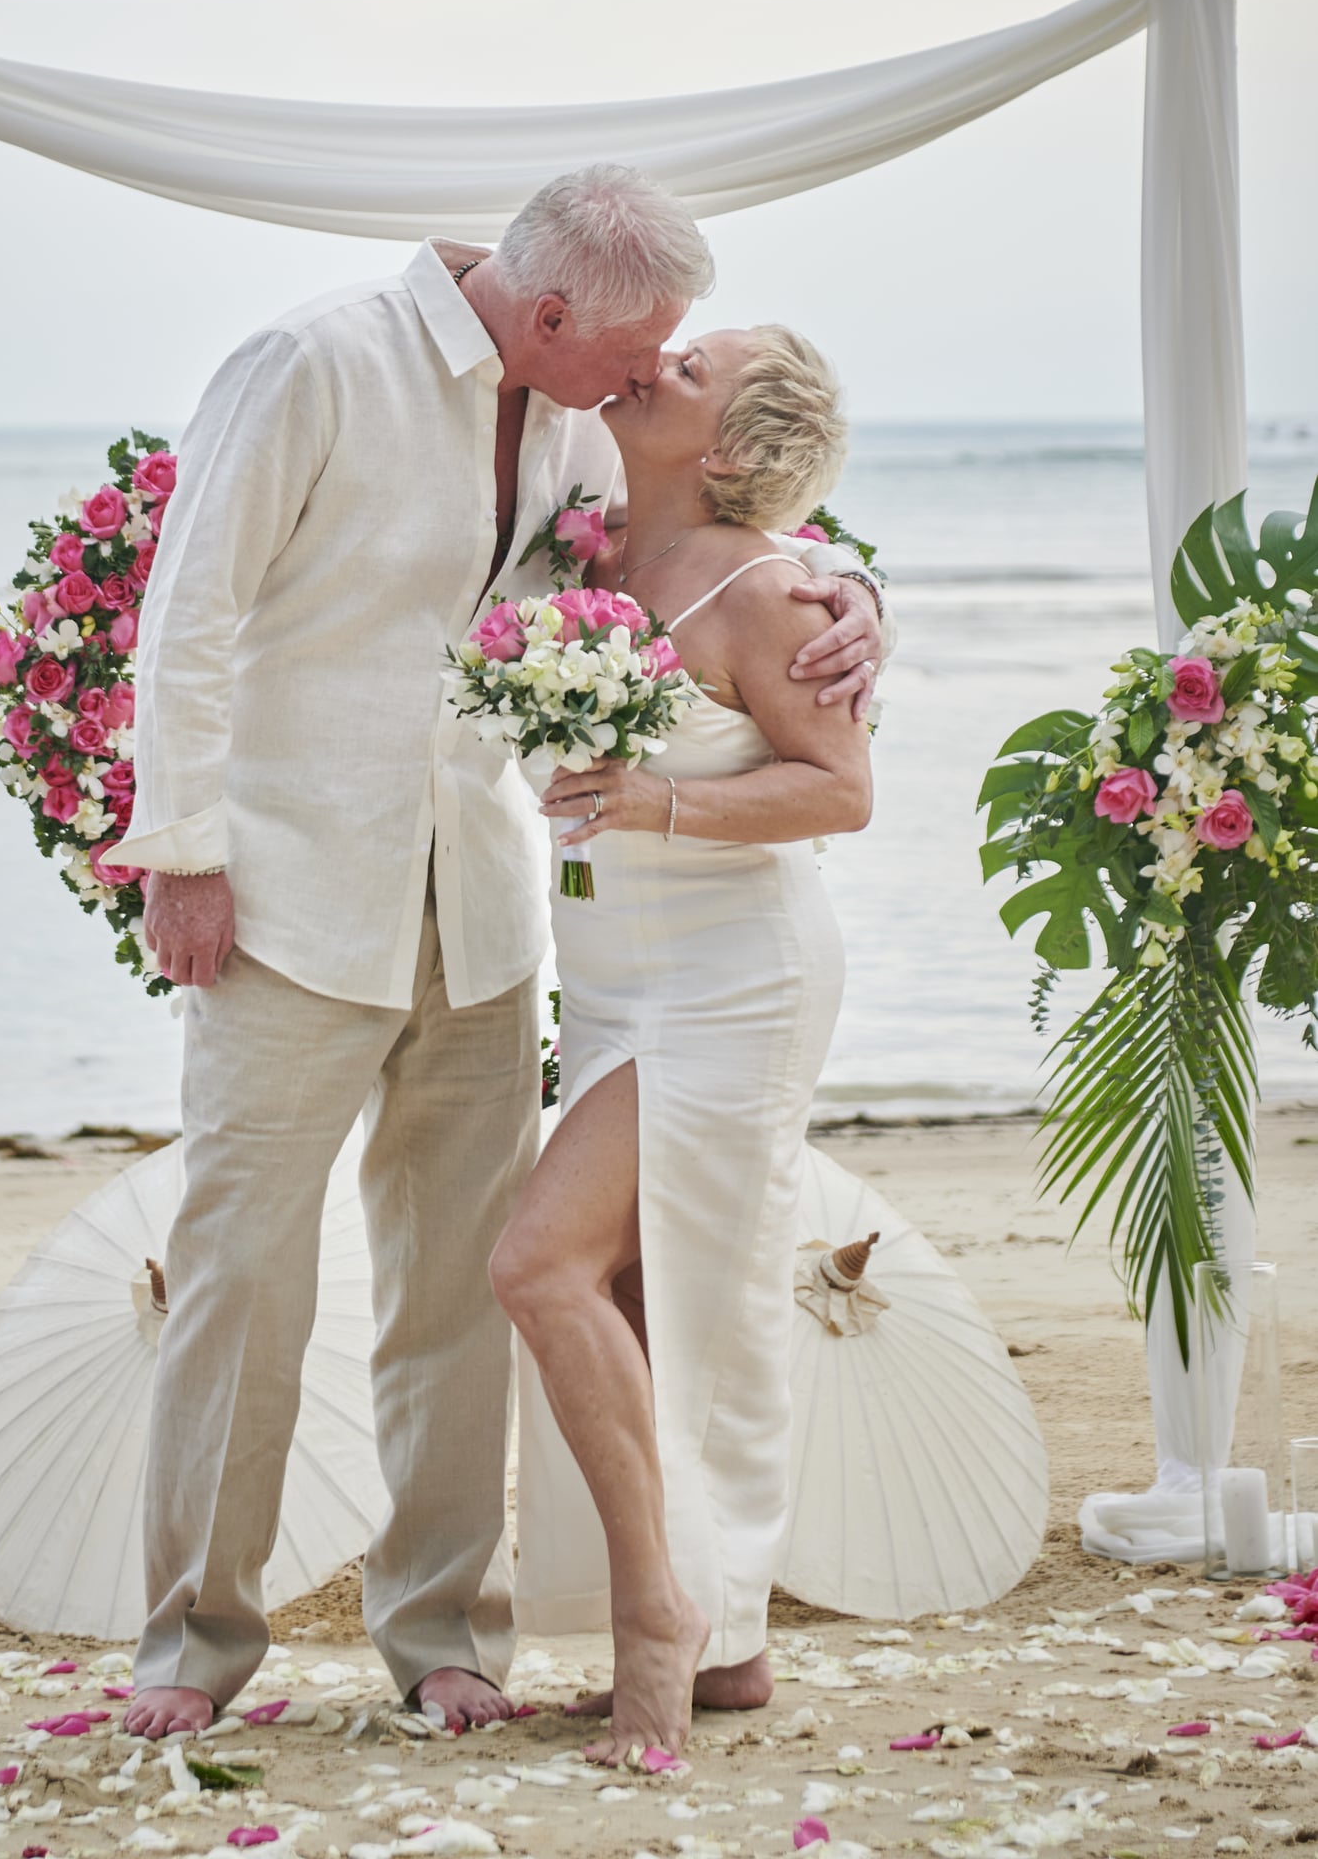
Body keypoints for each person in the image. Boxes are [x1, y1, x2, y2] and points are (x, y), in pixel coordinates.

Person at [106, 170, 885, 1740]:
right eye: (638, 345)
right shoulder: (314, 366)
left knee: (463, 1287)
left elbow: (729, 540)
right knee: (243, 1278)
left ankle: (444, 1631)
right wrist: (177, 853)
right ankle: (193, 1647)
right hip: (288, 906)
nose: (647, 373)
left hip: (485, 919)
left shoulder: (590, 410)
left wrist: (866, 594)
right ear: (548, 316)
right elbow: (186, 613)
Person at [491, 324, 870, 1765]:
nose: (657, 358)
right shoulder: (590, 561)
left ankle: (660, 1618)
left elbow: (840, 790)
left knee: (539, 1264)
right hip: (607, 978)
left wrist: (661, 806)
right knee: (656, 1307)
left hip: (732, 978)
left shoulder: (768, 591)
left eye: (694, 365)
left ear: (722, 449)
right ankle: (732, 1645)